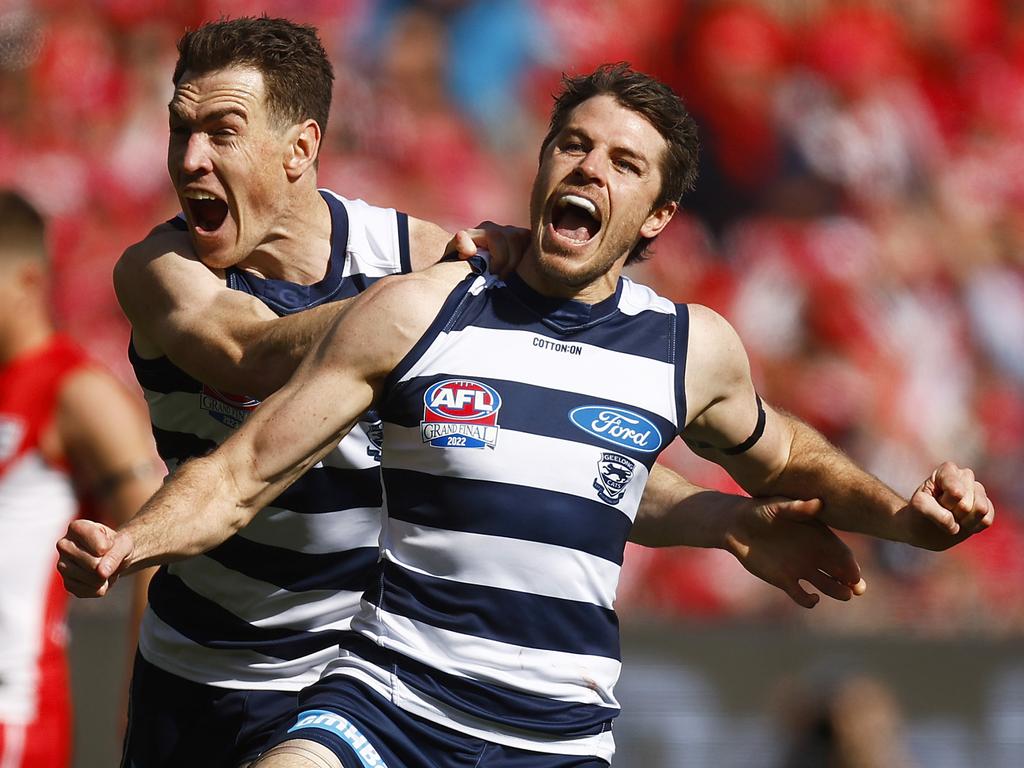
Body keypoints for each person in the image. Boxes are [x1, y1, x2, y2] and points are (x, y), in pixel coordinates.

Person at [58, 63, 992, 767]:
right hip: (385, 703)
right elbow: (240, 472)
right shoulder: (426, 307)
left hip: (555, 735)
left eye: (624, 162)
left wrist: (902, 515)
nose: (589, 167)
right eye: (574, 145)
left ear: (657, 215)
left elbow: (783, 457)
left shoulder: (688, 347)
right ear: (542, 162)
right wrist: (130, 541)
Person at [0, 191, 162, 768]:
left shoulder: (79, 393)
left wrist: (142, 697)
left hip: (16, 719)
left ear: (24, 280)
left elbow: (154, 546)